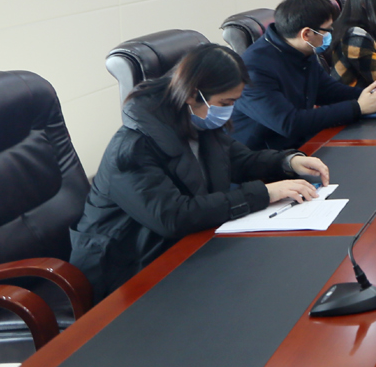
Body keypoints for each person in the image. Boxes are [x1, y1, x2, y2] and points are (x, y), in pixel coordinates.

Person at [70, 44, 332, 295]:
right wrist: (265, 193)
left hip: (183, 248)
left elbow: (240, 160)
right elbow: (174, 217)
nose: (229, 111)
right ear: (192, 94)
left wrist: (287, 162)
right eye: (225, 102)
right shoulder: (132, 149)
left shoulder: (197, 121)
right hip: (126, 270)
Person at [230, 0, 376, 151]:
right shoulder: (253, 69)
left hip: (300, 143)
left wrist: (370, 96)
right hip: (263, 155)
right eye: (327, 30)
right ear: (306, 34)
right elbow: (289, 123)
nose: (331, 34)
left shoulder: (300, 50)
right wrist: (358, 107)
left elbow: (327, 90)